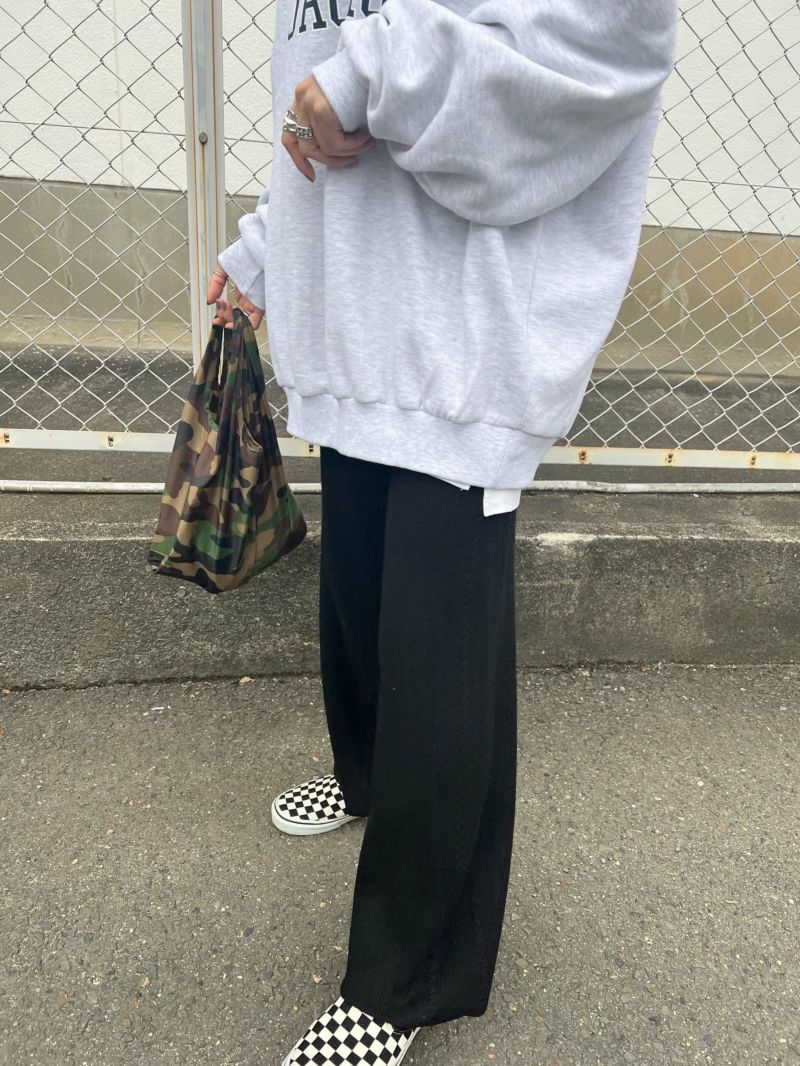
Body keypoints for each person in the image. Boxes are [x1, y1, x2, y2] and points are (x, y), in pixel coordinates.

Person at [206, 1, 678, 1062]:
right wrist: (265, 251)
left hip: (463, 342)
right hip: (357, 320)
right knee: (360, 607)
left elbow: (612, 44)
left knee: (436, 660)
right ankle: (368, 778)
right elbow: (317, 105)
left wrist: (373, 77)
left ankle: (406, 979)